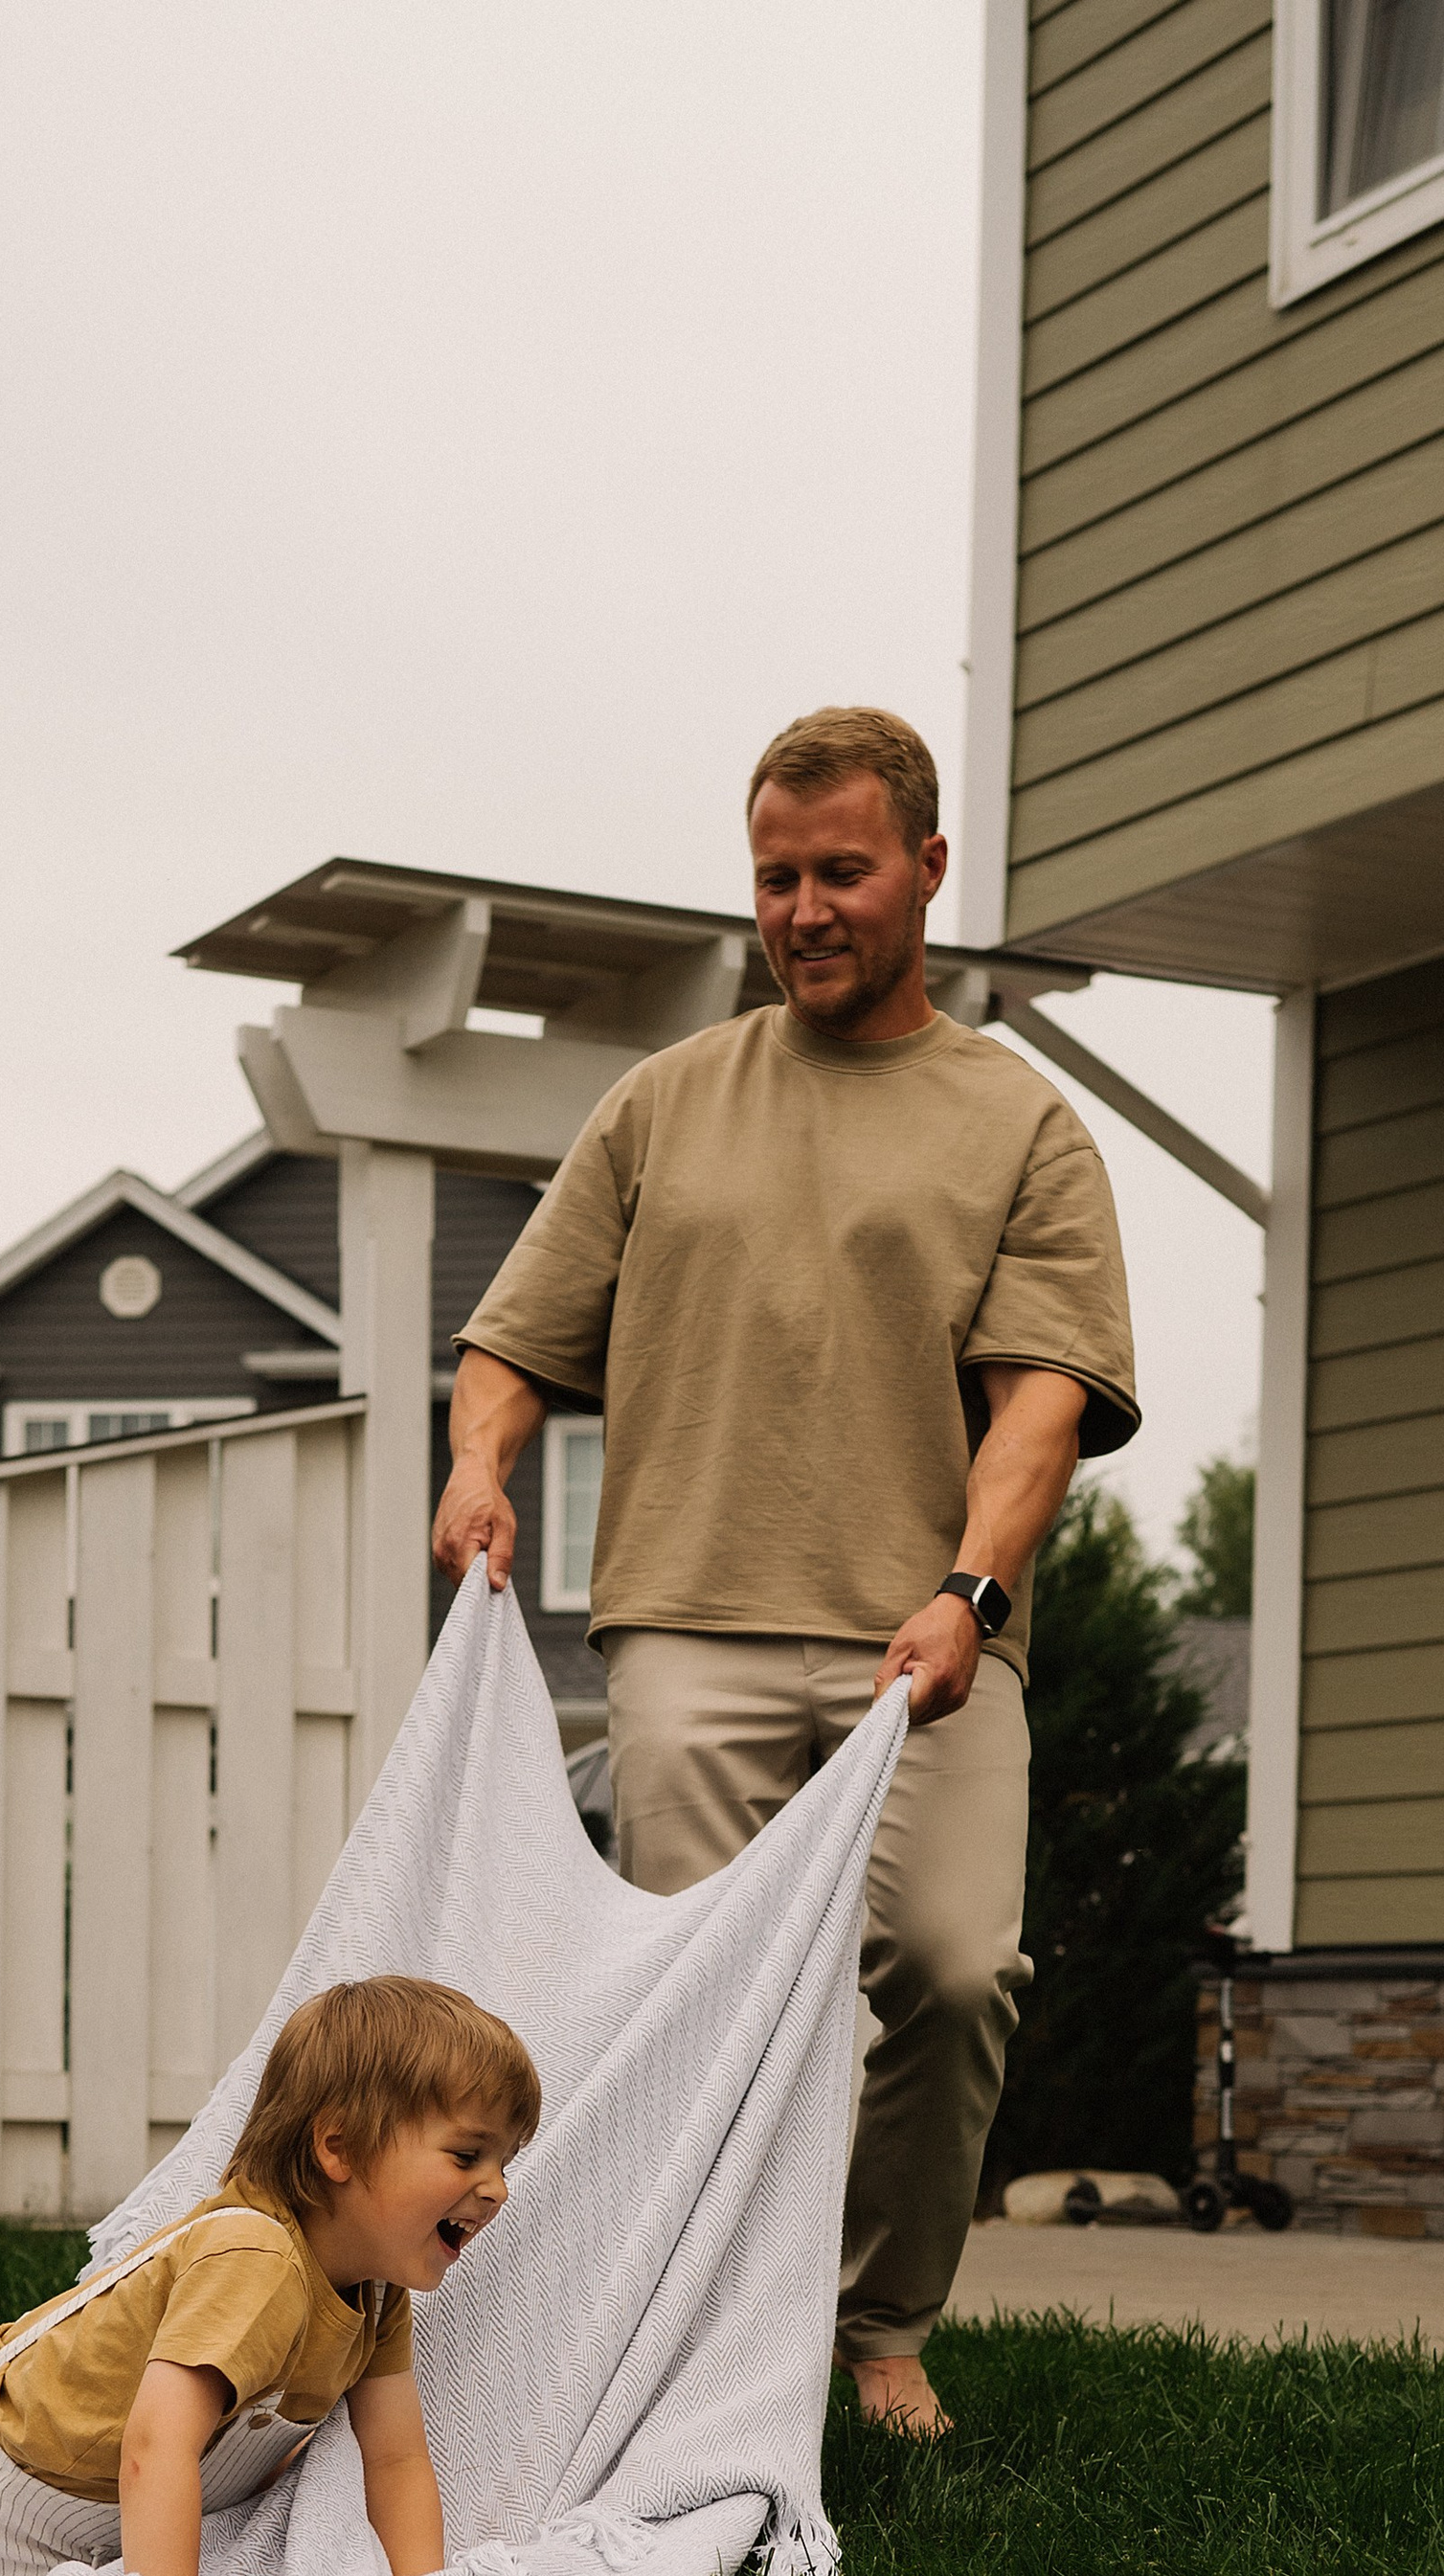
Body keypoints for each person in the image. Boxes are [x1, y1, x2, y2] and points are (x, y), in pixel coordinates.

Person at [433, 704, 1139, 2439]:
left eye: (841, 870)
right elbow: (514, 1338)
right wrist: (478, 1466)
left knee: (957, 1968)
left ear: (927, 869)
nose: (806, 907)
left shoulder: (1020, 1127)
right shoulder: (666, 1102)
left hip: (933, 1640)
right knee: (699, 1990)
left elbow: (1042, 1406)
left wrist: (971, 1596)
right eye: (775, 876)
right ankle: (683, 2337)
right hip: (691, 1618)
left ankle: (875, 2324)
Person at [0, 1976, 540, 2576]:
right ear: (339, 2146)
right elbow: (154, 2445)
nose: (497, 2189)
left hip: (111, 2514)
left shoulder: (378, 2294)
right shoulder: (255, 2256)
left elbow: (396, 2461)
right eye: (467, 2157)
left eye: (504, 2164)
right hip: (15, 2515)